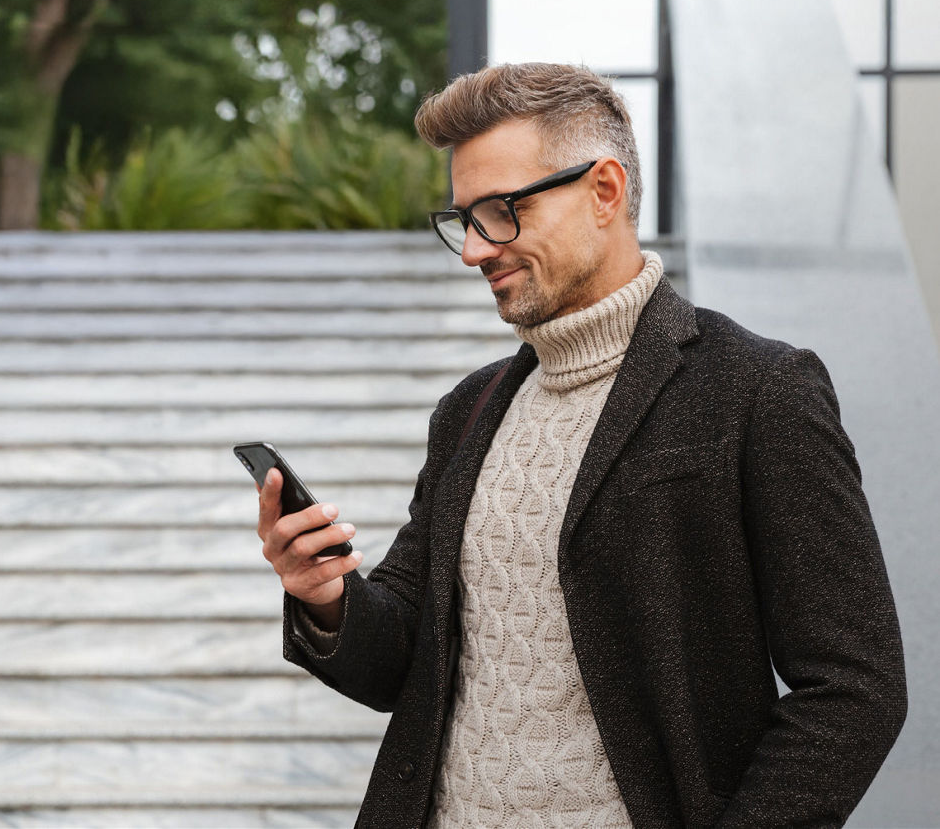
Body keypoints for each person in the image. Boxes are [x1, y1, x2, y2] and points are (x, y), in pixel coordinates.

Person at [254, 62, 906, 828]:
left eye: (501, 211)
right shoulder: (468, 409)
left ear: (605, 191)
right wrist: (324, 593)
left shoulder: (758, 390)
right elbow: (402, 661)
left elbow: (857, 689)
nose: (474, 249)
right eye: (464, 218)